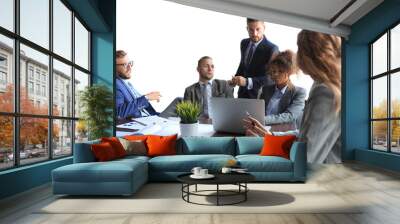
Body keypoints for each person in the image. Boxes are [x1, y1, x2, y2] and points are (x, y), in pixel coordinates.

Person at [244, 30, 342, 164]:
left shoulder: (325, 92)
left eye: (299, 49)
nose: (296, 56)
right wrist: (269, 136)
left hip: (322, 176)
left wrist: (269, 144)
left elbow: (305, 157)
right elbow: (303, 134)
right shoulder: (321, 84)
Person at [230, 18, 279, 99]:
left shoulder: (272, 49)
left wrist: (247, 82)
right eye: (251, 30)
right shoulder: (244, 43)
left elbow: (272, 78)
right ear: (247, 29)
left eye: (258, 29)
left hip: (259, 96)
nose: (254, 33)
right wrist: (235, 79)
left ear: (264, 28)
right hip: (242, 94)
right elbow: (243, 65)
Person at [257, 50, 306, 126]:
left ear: (289, 72)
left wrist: (262, 120)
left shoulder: (299, 92)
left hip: (283, 132)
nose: (275, 74)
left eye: (280, 71)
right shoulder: (266, 89)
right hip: (261, 128)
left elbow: (290, 116)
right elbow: (258, 112)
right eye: (273, 71)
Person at [115, 50, 161, 119]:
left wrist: (147, 97)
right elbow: (119, 112)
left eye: (130, 63)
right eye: (125, 65)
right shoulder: (116, 84)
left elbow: (135, 103)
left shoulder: (127, 83)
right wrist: (146, 98)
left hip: (151, 117)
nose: (130, 68)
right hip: (139, 123)